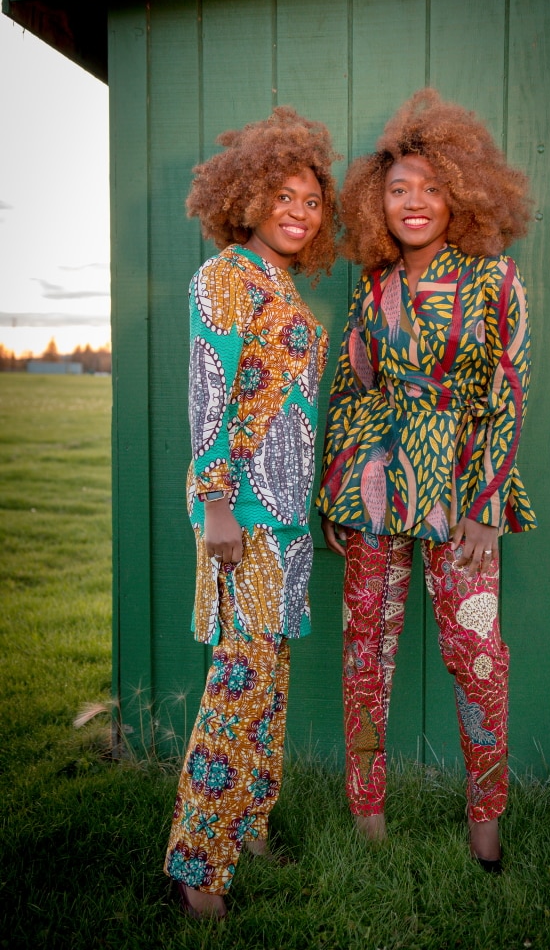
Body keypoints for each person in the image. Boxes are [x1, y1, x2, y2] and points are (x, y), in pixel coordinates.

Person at [316, 89, 536, 871]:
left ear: (461, 196)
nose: (414, 202)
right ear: (379, 201)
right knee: (364, 654)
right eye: (399, 188)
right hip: (374, 491)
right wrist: (337, 490)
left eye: (431, 187)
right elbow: (350, 390)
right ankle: (368, 822)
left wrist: (483, 507)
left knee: (478, 655)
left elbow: (509, 392)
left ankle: (486, 827)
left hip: (464, 496)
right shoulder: (373, 287)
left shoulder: (494, 281)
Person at [164, 106, 339, 918]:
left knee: (268, 684)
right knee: (238, 683)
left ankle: (251, 827)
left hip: (287, 522)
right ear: (247, 198)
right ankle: (199, 872)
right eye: (284, 197)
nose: (298, 213)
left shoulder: (281, 283)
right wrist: (217, 508)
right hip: (244, 518)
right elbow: (209, 398)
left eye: (311, 201)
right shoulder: (227, 277)